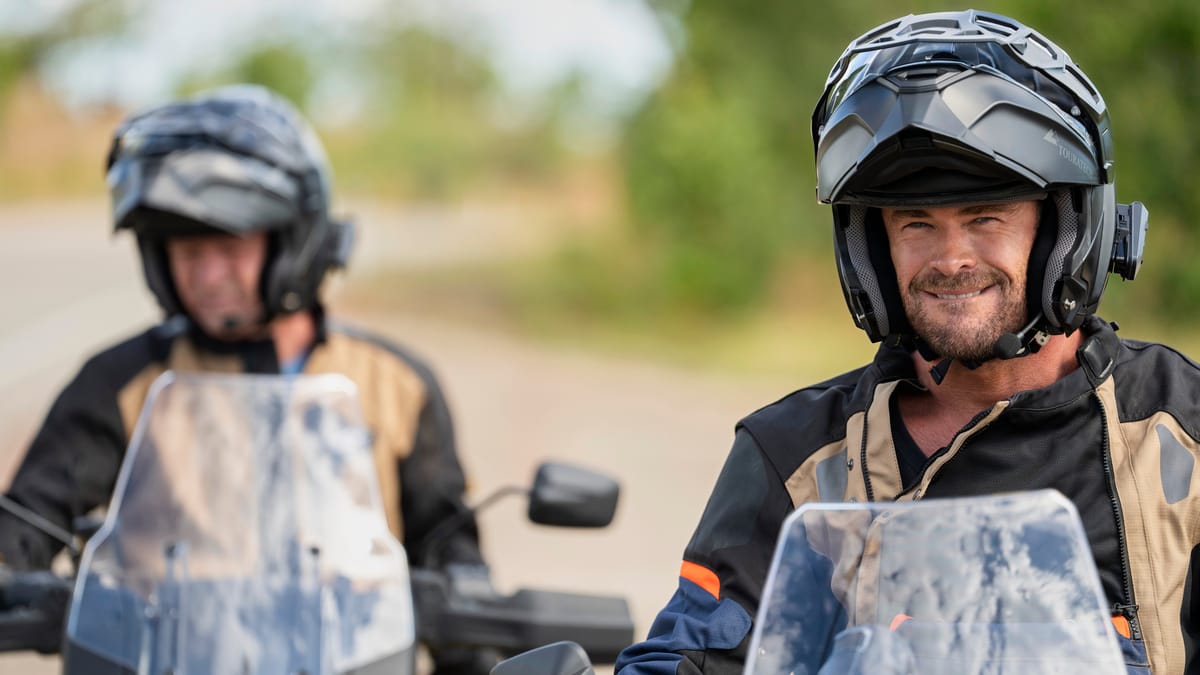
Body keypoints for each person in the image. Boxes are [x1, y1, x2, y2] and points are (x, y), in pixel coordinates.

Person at [614, 9, 1198, 674]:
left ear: (1061, 231)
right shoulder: (796, 460)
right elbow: (690, 655)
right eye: (915, 222)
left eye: (985, 217)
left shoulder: (1183, 435)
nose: (951, 257)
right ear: (871, 250)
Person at [0, 85, 494, 673]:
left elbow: (449, 547)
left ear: (292, 240)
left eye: (229, 245)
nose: (207, 274)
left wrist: (471, 608)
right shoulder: (122, 381)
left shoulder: (394, 384)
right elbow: (26, 523)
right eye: (185, 249)